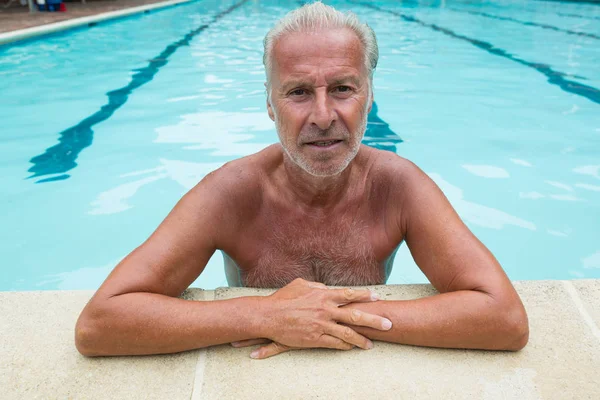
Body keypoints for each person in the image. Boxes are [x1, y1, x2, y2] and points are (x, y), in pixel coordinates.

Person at [75, 2, 528, 359]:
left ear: (369, 99)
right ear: (270, 105)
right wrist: (263, 314)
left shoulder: (397, 186)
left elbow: (504, 317)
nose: (324, 116)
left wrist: (323, 318)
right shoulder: (230, 193)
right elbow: (100, 324)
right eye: (298, 93)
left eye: (343, 89)